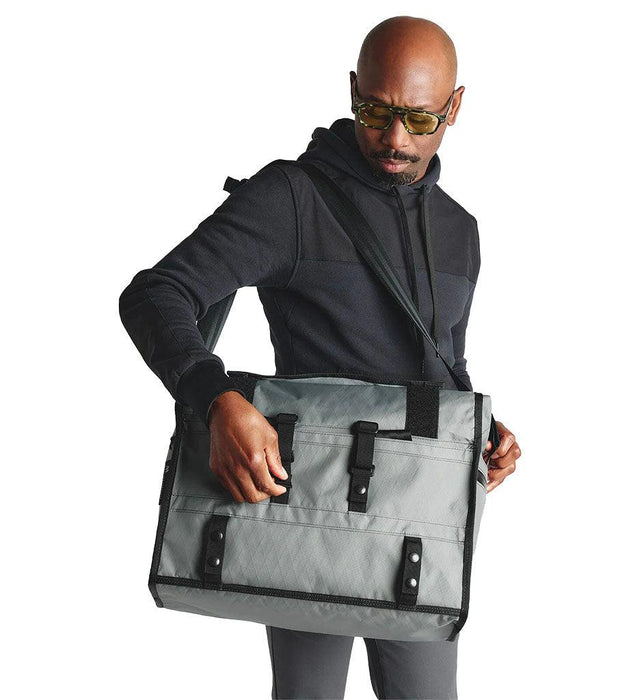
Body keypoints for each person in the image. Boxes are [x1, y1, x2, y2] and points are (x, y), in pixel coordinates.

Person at [119, 14, 521, 700]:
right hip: (307, 503)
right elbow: (156, 294)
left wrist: (477, 433)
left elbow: (439, 364)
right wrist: (217, 399)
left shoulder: (461, 230)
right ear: (353, 91)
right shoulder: (291, 198)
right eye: (376, 112)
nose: (394, 139)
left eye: (419, 119)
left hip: (419, 514)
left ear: (454, 107)